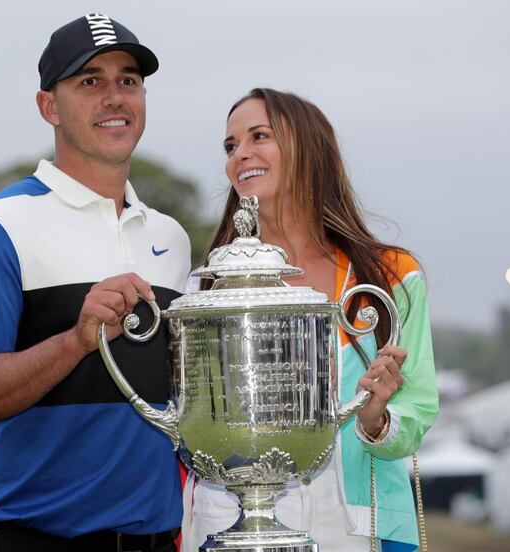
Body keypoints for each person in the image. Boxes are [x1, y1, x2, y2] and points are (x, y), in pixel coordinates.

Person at [0, 14, 190, 552]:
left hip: (156, 541)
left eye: (129, 80)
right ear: (49, 105)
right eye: (90, 81)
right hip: (33, 540)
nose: (115, 97)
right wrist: (76, 341)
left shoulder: (171, 238)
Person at [180, 89, 438, 552]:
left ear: (308, 149)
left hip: (357, 523)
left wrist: (377, 420)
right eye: (230, 145)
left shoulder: (392, 277)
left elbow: (418, 409)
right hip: (228, 518)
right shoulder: (206, 288)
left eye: (260, 136)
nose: (241, 154)